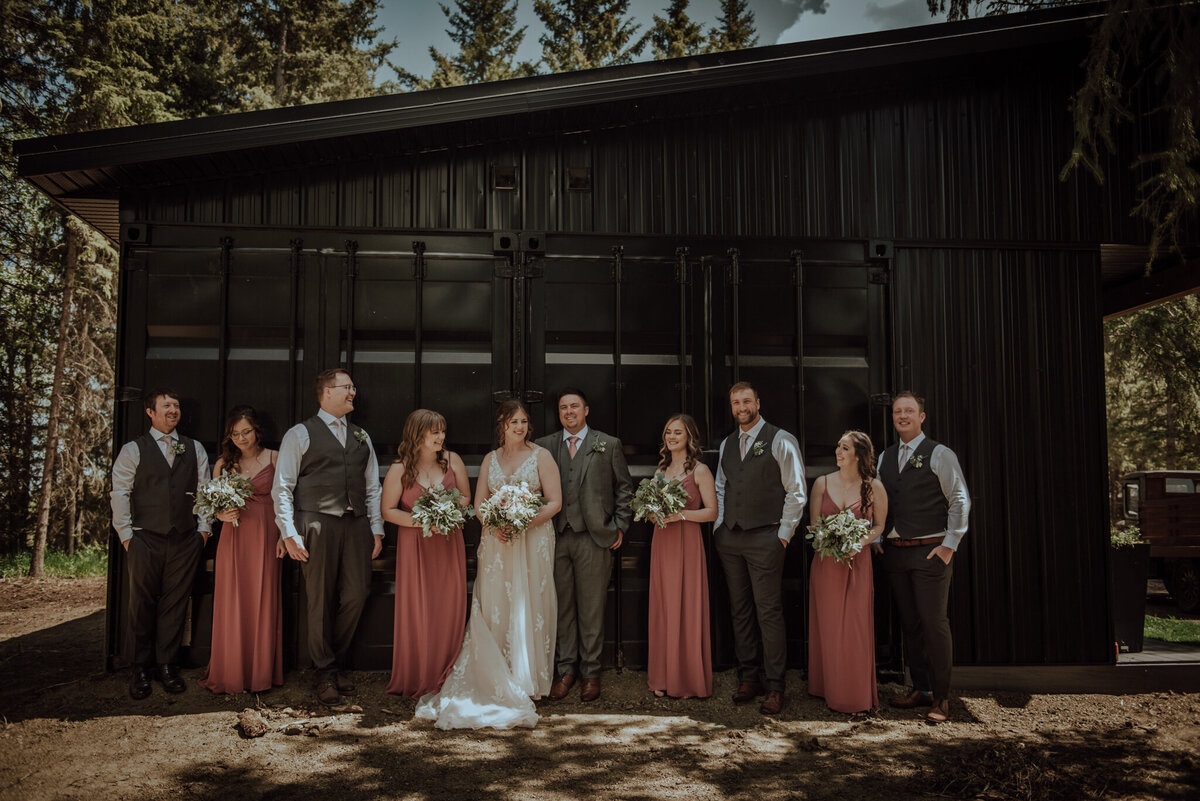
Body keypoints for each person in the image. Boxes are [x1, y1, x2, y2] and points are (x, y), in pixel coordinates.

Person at [416, 399, 562, 729]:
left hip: (532, 539)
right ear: (502, 426)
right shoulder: (489, 459)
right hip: (495, 542)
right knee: (495, 603)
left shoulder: (542, 456)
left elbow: (555, 502)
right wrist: (496, 525)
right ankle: (495, 674)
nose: (520, 427)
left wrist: (524, 522)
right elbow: (479, 504)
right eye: (513, 422)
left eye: (524, 421)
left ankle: (529, 680)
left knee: (531, 603)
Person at [272, 369, 384, 707]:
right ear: (326, 392)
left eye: (353, 387)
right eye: (347, 387)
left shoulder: (362, 436)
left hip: (356, 526)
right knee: (319, 598)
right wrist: (289, 532)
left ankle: (332, 661)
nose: (353, 392)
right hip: (316, 523)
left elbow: (372, 486)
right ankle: (325, 672)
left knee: (357, 593)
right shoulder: (300, 434)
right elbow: (282, 487)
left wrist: (376, 528)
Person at [110, 388, 212, 699]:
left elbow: (205, 491)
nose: (173, 410)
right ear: (150, 412)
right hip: (144, 539)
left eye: (176, 405)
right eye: (166, 405)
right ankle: (140, 667)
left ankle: (168, 665)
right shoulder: (133, 450)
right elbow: (120, 494)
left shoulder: (194, 449)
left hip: (185, 539)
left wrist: (203, 531)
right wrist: (127, 536)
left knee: (176, 604)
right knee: (141, 604)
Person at [713, 381, 806, 716]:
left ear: (758, 402)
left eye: (746, 401)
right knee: (740, 610)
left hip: (767, 537)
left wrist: (783, 533)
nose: (741, 407)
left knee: (768, 612)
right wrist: (719, 527)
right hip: (731, 539)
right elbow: (721, 487)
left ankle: (775, 686)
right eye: (736, 402)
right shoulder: (727, 444)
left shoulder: (780, 439)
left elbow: (796, 490)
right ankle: (748, 677)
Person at [878, 391, 970, 724]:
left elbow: (959, 498)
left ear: (922, 417)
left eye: (909, 411)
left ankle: (943, 699)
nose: (902, 416)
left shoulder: (939, 453)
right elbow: (881, 503)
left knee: (934, 625)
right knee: (911, 626)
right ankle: (920, 688)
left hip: (931, 552)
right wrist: (877, 538)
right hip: (896, 554)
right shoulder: (885, 457)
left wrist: (949, 544)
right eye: (897, 411)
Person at [535, 388, 633, 703]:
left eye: (574, 406)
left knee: (592, 609)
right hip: (555, 537)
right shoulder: (545, 446)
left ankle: (591, 672)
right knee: (562, 608)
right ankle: (566, 671)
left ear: (586, 410)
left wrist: (620, 525)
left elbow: (624, 489)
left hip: (594, 539)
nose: (569, 412)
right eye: (563, 407)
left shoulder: (609, 444)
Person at [383, 409, 469, 698]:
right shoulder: (400, 469)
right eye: (435, 432)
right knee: (419, 607)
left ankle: (448, 671)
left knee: (449, 605)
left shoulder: (452, 460)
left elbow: (466, 498)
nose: (441, 437)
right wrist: (423, 521)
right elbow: (388, 511)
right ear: (418, 435)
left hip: (447, 543)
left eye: (443, 431)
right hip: (415, 546)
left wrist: (448, 510)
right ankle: (420, 673)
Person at [200, 406, 284, 694]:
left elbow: (287, 498)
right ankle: (231, 672)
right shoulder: (224, 463)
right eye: (235, 434)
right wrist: (221, 515)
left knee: (262, 597)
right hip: (233, 538)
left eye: (245, 431)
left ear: (257, 430)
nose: (241, 438)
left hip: (267, 535)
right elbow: (212, 507)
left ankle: (259, 674)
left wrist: (285, 535)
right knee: (232, 598)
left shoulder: (275, 457)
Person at [807, 431, 888, 714]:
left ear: (858, 454)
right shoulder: (821, 483)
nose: (838, 452)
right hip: (827, 564)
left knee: (854, 627)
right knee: (828, 625)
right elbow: (814, 526)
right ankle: (826, 687)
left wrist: (859, 541)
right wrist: (827, 537)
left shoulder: (873, 487)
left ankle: (852, 694)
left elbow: (878, 526)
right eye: (838, 446)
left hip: (858, 563)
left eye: (844, 448)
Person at [647, 414, 717, 699]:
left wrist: (681, 515)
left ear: (689, 436)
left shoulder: (699, 470)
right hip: (663, 543)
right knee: (664, 606)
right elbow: (653, 511)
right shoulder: (660, 470)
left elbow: (712, 512)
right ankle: (663, 677)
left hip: (687, 542)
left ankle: (687, 679)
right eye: (668, 432)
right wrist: (653, 513)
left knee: (686, 606)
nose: (672, 436)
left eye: (678, 432)